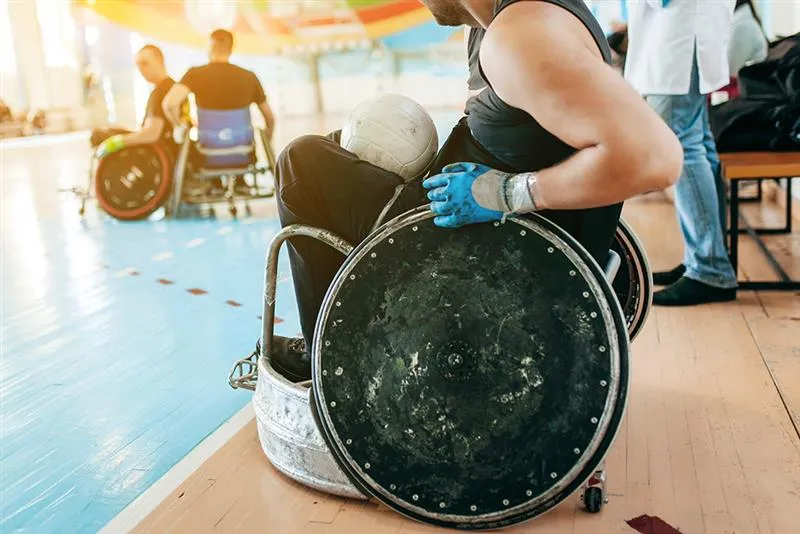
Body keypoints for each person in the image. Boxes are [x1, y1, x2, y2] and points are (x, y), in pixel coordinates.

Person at [266, 0, 682, 382]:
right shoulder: (502, 26)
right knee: (336, 144)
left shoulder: (522, 36)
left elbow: (654, 158)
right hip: (466, 223)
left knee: (301, 165)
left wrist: (509, 193)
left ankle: (331, 358)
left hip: (475, 258)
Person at [625, 0, 739, 306]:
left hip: (682, 35)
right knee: (697, 142)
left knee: (681, 146)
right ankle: (704, 257)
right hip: (687, 32)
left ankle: (709, 268)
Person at [162, 29, 275, 141]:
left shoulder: (194, 75)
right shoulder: (249, 77)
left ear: (210, 48)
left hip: (206, 151)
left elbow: (170, 104)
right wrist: (268, 139)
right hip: (243, 152)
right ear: (230, 50)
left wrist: (180, 127)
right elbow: (270, 118)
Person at [91, 45, 175, 158]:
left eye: (145, 63)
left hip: (154, 152)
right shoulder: (171, 86)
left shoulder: (161, 92)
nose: (141, 69)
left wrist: (118, 141)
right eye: (138, 65)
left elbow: (151, 134)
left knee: (98, 136)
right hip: (161, 148)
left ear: (160, 61)